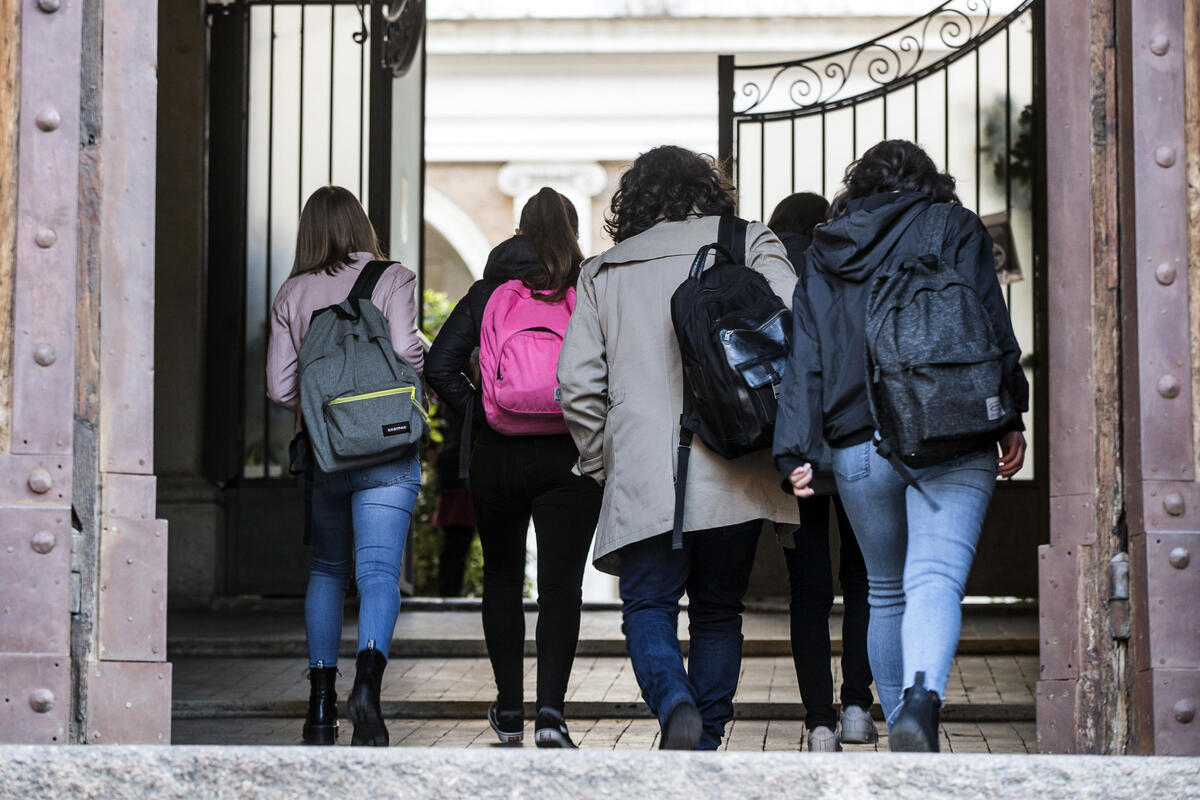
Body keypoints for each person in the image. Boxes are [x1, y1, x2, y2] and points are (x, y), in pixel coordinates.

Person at [773, 140, 1028, 752]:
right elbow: (990, 322)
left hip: (858, 440)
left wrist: (795, 449)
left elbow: (804, 357)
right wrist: (1009, 411)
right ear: (929, 182)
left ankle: (902, 745)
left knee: (884, 588)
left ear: (857, 184)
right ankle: (920, 699)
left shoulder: (827, 247)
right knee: (934, 575)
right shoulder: (955, 227)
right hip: (951, 427)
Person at [557, 145, 801, 751]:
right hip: (736, 463)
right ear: (708, 189)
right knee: (719, 610)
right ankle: (707, 736)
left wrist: (602, 461)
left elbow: (577, 386)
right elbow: (798, 335)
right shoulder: (749, 242)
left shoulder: (604, 271)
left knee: (649, 605)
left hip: (643, 469)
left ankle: (675, 707)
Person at [425, 187, 603, 748]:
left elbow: (439, 366)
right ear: (574, 231)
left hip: (497, 456)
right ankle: (551, 714)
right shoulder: (587, 287)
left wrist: (486, 409)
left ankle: (508, 708)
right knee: (560, 589)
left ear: (520, 230)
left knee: (501, 579)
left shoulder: (489, 291)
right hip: (569, 454)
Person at [266, 185, 424, 747]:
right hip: (387, 448)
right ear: (362, 224)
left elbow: (280, 388)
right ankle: (369, 690)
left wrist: (325, 398)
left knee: (329, 571)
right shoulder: (394, 278)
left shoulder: (293, 292)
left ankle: (318, 707)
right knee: (378, 573)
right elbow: (406, 356)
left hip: (327, 454)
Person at [766, 192, 876, 752]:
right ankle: (858, 704)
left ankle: (819, 723)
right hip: (861, 443)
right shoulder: (857, 265)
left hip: (799, 447)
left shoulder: (766, 268)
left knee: (807, 591)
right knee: (864, 581)